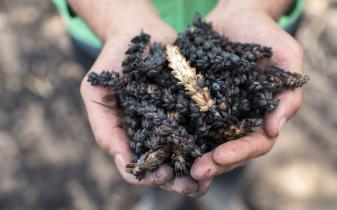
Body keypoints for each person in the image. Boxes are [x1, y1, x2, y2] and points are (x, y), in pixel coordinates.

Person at [53, 0, 305, 209]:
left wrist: (255, 6)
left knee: (234, 154)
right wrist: (117, 21)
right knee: (155, 162)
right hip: (104, 24)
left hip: (256, 18)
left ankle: (222, 199)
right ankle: (158, 201)